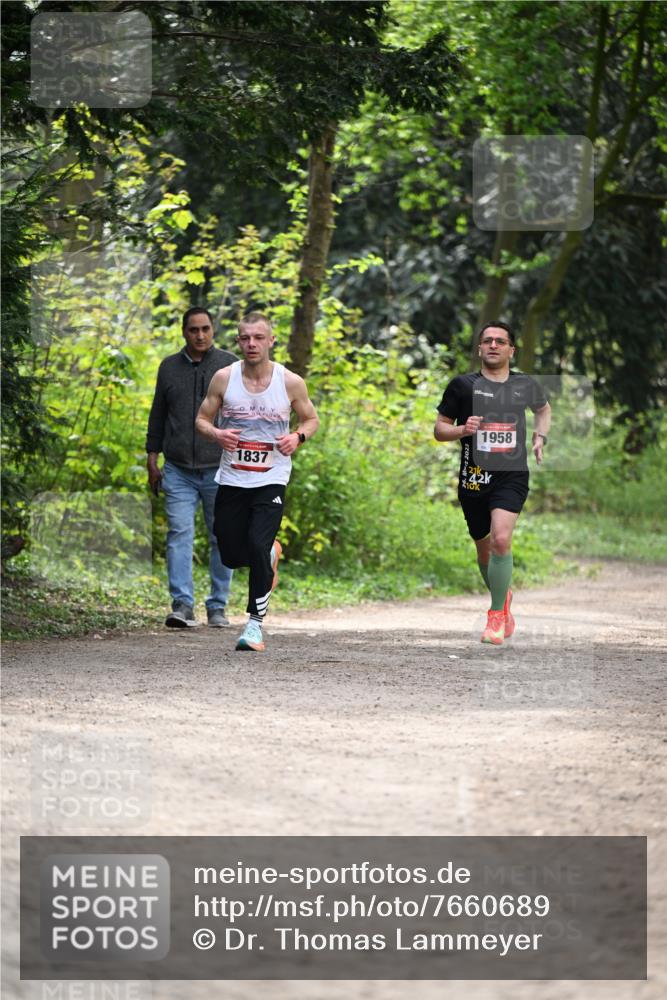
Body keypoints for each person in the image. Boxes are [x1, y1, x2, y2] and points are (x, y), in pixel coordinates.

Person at [195, 312, 319, 652]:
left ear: (271, 341)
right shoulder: (223, 378)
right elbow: (202, 420)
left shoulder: (289, 381)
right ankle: (270, 555)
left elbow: (311, 419)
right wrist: (218, 433)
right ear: (238, 341)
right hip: (233, 477)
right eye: (246, 338)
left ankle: (254, 626)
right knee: (231, 552)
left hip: (272, 478)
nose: (252, 344)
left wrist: (297, 438)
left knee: (257, 542)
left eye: (259, 338)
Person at [434, 322, 551, 645]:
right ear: (480, 349)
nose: (494, 345)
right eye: (488, 341)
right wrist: (462, 430)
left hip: (511, 475)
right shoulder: (462, 386)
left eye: (501, 341)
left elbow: (543, 409)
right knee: (485, 551)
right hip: (474, 478)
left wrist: (540, 437)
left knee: (501, 540)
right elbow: (440, 429)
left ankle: (496, 614)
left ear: (511, 350)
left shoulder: (524, 384)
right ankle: (503, 596)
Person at [146, 307, 237, 628]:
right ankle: (182, 605)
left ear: (214, 331)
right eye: (193, 330)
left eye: (205, 329)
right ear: (184, 332)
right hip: (178, 468)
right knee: (179, 533)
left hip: (220, 468)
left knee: (221, 536)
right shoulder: (169, 367)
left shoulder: (229, 365)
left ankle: (218, 606)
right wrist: (152, 456)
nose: (200, 335)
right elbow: (158, 414)